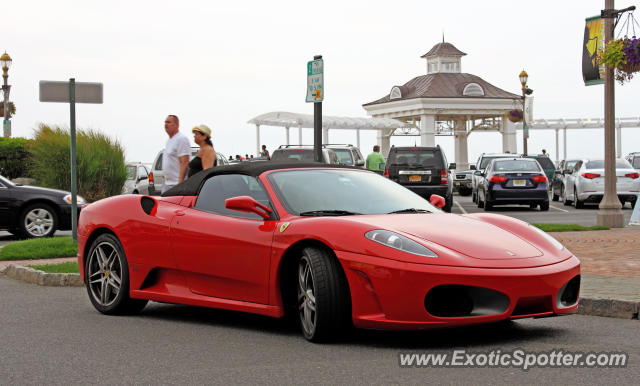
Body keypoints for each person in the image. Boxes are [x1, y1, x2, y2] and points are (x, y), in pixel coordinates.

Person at [162, 115, 190, 193]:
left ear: (176, 125)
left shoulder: (181, 139)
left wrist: (179, 184)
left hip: (176, 185)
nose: (166, 124)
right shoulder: (169, 141)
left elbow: (184, 162)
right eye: (165, 122)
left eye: (168, 122)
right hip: (167, 184)